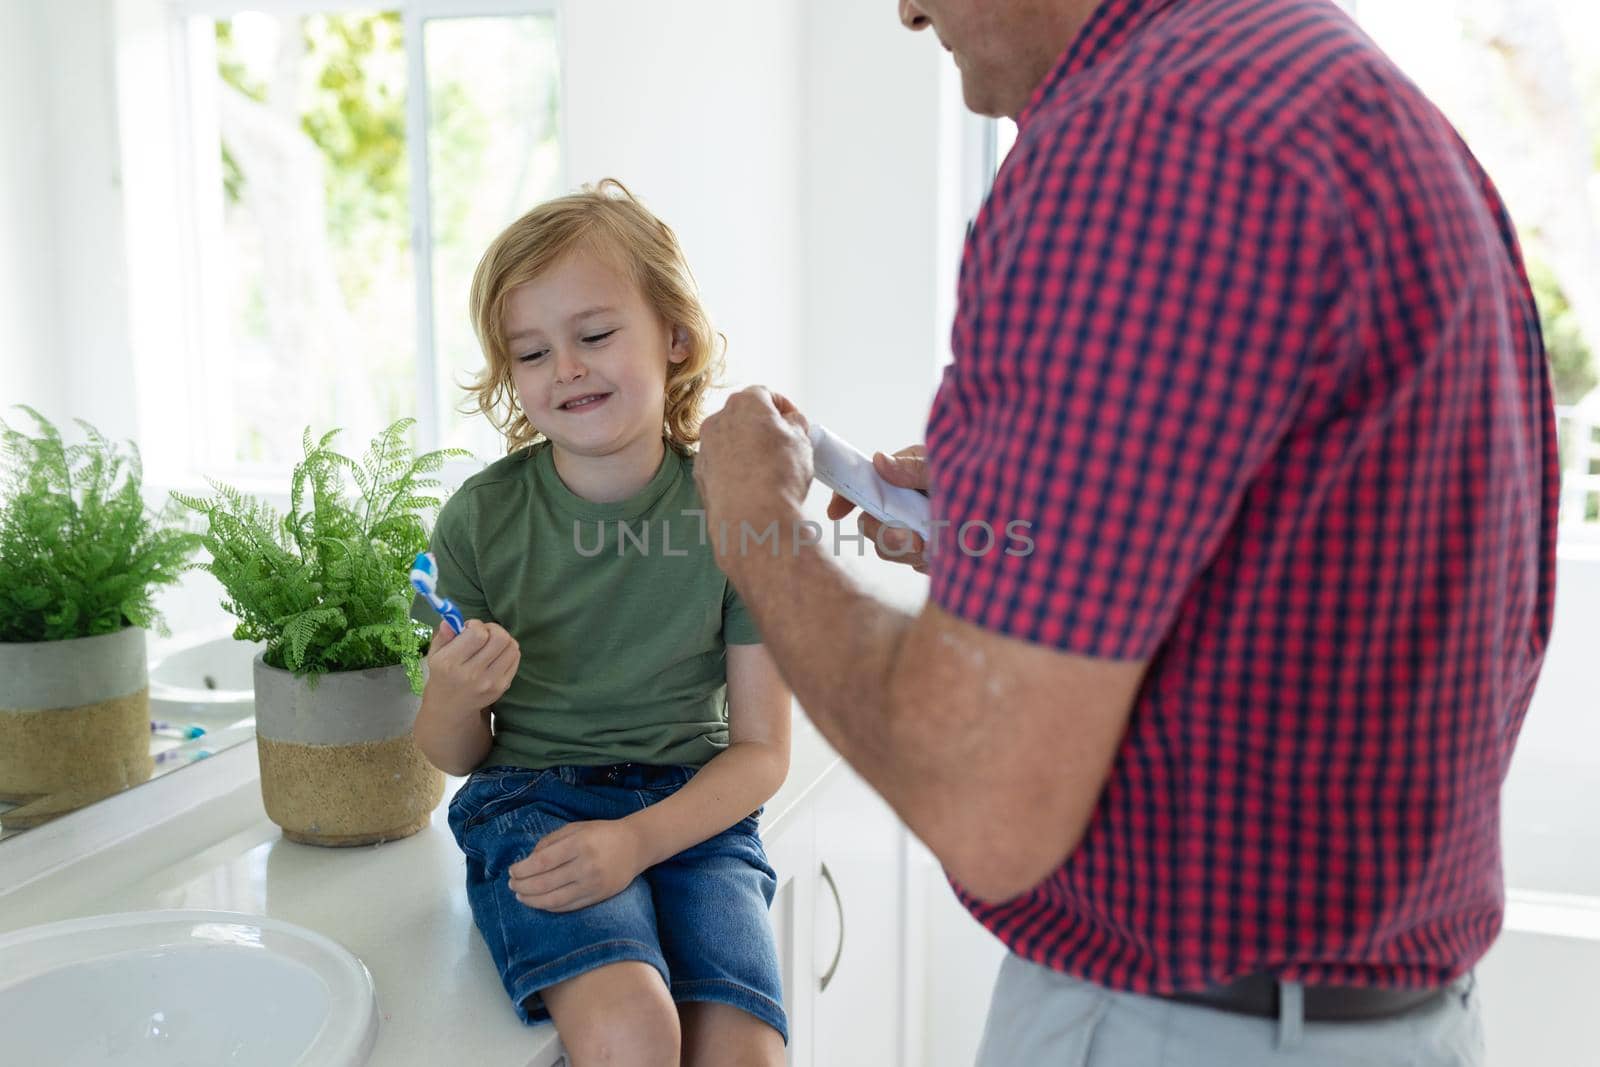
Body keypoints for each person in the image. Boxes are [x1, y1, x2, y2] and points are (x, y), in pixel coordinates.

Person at [691, 0, 1558, 1064]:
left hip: (1187, 1031)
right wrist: (998, 533)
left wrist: (758, 527)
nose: (907, 11)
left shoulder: (1146, 140)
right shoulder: (1303, 76)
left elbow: (982, 796)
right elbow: (1287, 554)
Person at [414, 179, 790, 1067]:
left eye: (593, 335)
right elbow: (452, 754)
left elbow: (764, 752)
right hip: (534, 800)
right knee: (632, 1030)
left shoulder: (737, 514)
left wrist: (639, 839)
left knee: (746, 1054)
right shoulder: (479, 520)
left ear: (676, 335)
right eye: (532, 352)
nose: (567, 368)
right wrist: (453, 694)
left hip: (695, 808)